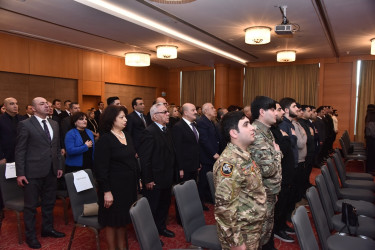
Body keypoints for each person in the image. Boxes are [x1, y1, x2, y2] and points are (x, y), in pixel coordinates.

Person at [15, 97, 65, 249]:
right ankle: (30, 236)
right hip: (32, 172)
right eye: (42, 104)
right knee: (30, 207)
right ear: (34, 108)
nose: (47, 106)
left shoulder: (54, 123)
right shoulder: (25, 124)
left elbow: (57, 148)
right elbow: (20, 150)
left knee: (49, 203)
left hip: (51, 170)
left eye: (47, 104)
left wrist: (59, 166)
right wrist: (20, 173)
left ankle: (47, 228)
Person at [214, 111, 266, 250]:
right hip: (242, 234)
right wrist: (236, 242)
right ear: (234, 133)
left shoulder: (244, 155)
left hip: (252, 228)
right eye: (246, 124)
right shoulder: (228, 163)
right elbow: (224, 208)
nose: (253, 128)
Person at [94, 105, 138, 250]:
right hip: (112, 189)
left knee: (123, 222)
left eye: (125, 117)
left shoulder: (127, 136)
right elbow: (101, 169)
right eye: (122, 117)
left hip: (127, 188)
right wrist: (106, 191)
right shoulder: (105, 140)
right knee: (112, 223)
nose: (126, 119)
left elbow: (132, 161)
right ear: (112, 120)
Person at [248, 96, 282, 250]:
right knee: (259, 236)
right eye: (273, 109)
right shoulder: (256, 134)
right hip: (260, 196)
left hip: (268, 192)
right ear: (262, 112)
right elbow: (267, 170)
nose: (276, 113)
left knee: (266, 233)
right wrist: (277, 153)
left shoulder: (267, 132)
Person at [138, 102, 176, 239]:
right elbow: (145, 159)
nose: (168, 114)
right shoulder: (149, 132)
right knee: (152, 208)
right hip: (154, 179)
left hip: (166, 176)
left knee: (164, 206)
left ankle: (161, 228)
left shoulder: (167, 129)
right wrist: (148, 179)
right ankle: (149, 236)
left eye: (167, 112)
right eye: (164, 112)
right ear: (155, 117)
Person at [0, 97, 26, 227]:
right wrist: (1, 156)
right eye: (12, 104)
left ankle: (22, 203)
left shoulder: (22, 119)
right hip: (6, 156)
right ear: (5, 106)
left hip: (21, 156)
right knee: (6, 182)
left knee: (20, 180)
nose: (15, 106)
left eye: (16, 103)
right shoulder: (1, 120)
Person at [197, 102, 220, 207]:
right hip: (206, 157)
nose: (214, 109)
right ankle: (201, 203)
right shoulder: (202, 122)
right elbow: (204, 140)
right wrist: (213, 153)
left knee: (209, 180)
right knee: (203, 181)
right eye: (212, 108)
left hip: (211, 156)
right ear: (206, 111)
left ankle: (208, 198)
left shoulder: (210, 121)